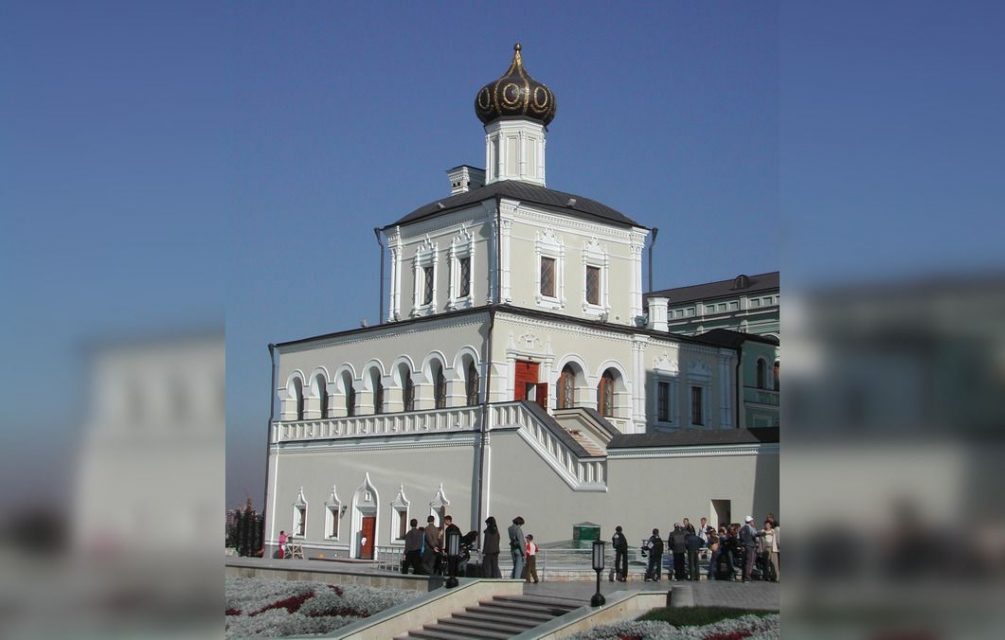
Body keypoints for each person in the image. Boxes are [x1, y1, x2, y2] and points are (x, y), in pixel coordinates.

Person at [739, 516, 760, 582]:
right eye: (752, 521)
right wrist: (763, 533)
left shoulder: (742, 529)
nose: (753, 522)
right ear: (750, 521)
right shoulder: (750, 528)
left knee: (744, 562)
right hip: (750, 546)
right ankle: (747, 577)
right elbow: (755, 534)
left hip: (744, 547)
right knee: (750, 562)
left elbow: (740, 538)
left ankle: (743, 576)